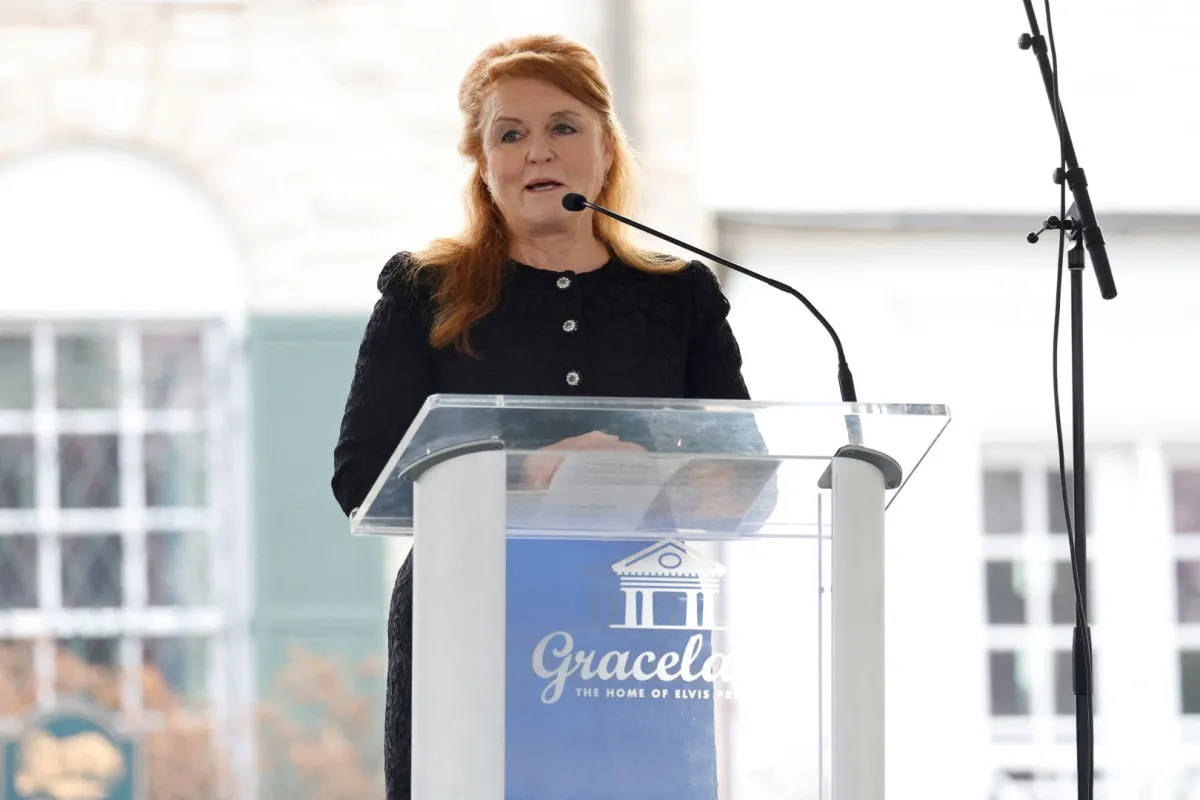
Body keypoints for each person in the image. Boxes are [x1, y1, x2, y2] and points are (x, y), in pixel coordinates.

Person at [330, 33, 755, 800]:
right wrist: (528, 471)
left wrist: (656, 477)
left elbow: (746, 478)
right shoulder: (422, 291)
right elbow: (362, 478)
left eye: (563, 127)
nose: (538, 153)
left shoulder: (678, 297)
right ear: (483, 164)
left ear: (604, 146)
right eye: (510, 134)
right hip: (471, 628)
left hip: (636, 644)